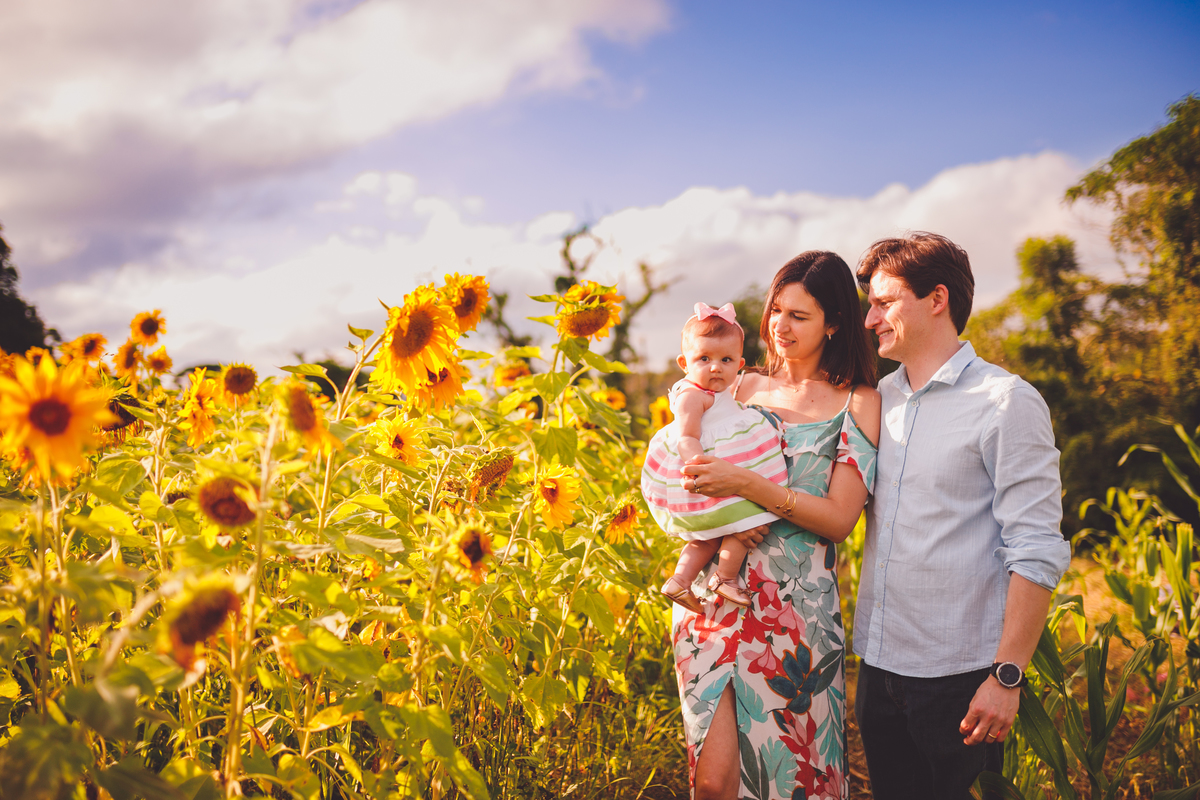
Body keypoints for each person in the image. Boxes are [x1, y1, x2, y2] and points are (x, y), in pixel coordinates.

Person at [852, 232, 1072, 799]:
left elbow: (1036, 546)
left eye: (883, 301)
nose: (870, 317)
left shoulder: (1006, 401)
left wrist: (1006, 677)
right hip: (878, 667)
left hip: (959, 679)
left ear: (937, 298)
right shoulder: (880, 399)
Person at [677, 251, 881, 800]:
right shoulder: (734, 386)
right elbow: (679, 469)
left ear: (835, 323)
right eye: (775, 311)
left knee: (792, 782)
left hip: (799, 619)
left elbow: (840, 519)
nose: (780, 326)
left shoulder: (858, 403)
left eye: (799, 316)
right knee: (714, 783)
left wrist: (750, 488)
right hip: (714, 602)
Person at [641, 302, 790, 610]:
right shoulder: (691, 396)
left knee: (708, 536)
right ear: (684, 362)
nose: (715, 367)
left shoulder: (717, 392)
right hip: (705, 473)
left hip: (721, 470)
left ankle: (680, 581)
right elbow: (686, 436)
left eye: (725, 359)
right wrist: (699, 466)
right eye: (703, 358)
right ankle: (724, 577)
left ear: (740, 363)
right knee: (747, 518)